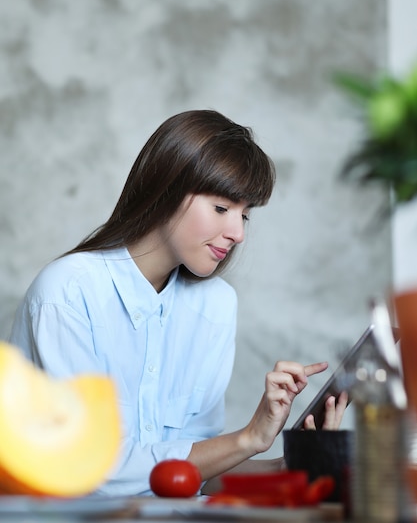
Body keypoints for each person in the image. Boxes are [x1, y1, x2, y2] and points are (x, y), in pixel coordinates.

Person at [9, 109, 347, 496]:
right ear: (165, 189)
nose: (236, 233)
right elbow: (89, 473)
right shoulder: (67, 293)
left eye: (245, 216)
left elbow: (189, 475)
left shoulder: (216, 306)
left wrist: (294, 464)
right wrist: (248, 438)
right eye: (221, 208)